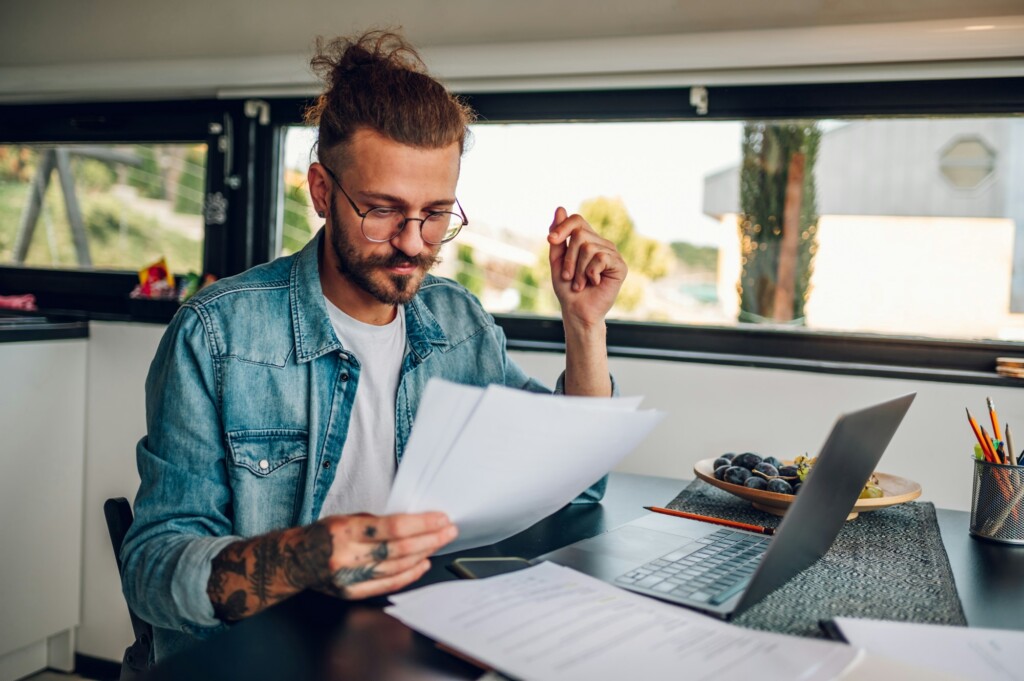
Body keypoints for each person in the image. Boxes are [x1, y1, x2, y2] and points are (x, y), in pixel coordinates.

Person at [120, 30, 627, 661]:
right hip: (258, 659)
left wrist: (584, 326)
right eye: (383, 211)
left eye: (436, 213)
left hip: (408, 643)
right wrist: (305, 558)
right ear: (323, 192)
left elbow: (572, 485)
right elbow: (152, 572)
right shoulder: (218, 336)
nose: (414, 242)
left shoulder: (460, 324)